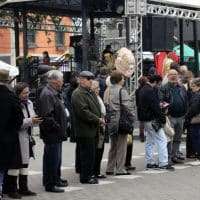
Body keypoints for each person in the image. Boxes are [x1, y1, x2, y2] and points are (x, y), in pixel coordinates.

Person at [3, 83, 42, 199]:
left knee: (25, 164)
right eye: (24, 92)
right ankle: (11, 189)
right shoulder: (14, 104)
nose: (27, 94)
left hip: (27, 137)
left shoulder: (29, 103)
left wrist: (35, 120)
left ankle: (24, 188)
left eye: (28, 92)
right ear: (18, 93)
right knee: (14, 165)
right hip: (16, 138)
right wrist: (31, 121)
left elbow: (32, 116)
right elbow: (16, 122)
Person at [39, 70, 68, 193]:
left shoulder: (53, 92)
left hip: (56, 132)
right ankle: (50, 184)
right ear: (55, 81)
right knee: (52, 158)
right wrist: (58, 128)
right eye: (61, 80)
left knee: (57, 158)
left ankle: (55, 179)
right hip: (52, 133)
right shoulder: (47, 94)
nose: (62, 82)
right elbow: (47, 116)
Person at [72, 71, 103, 184]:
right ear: (82, 80)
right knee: (86, 155)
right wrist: (97, 119)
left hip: (92, 128)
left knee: (91, 154)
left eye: (91, 79)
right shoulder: (78, 93)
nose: (91, 81)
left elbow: (95, 107)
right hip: (85, 129)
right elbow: (83, 111)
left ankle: (89, 174)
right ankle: (85, 177)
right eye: (89, 79)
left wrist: (99, 118)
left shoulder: (88, 92)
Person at [138, 75, 174, 170]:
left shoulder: (142, 89)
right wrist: (162, 117)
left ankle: (149, 161)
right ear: (157, 82)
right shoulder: (150, 91)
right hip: (152, 119)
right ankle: (163, 163)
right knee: (162, 139)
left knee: (150, 141)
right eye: (159, 83)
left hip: (145, 119)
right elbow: (155, 107)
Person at [104, 70, 134, 175]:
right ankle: (120, 168)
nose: (124, 79)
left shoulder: (107, 90)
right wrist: (132, 118)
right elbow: (128, 107)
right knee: (122, 145)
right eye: (123, 78)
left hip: (111, 120)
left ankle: (110, 168)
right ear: (120, 79)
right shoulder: (122, 91)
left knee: (113, 145)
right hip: (121, 120)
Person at [0, 69, 24, 200]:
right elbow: (18, 119)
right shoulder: (11, 96)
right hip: (6, 139)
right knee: (2, 168)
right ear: (8, 80)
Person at [160, 69, 188, 164]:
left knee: (177, 138)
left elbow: (186, 100)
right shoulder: (164, 88)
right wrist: (166, 110)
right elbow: (160, 101)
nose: (174, 76)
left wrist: (185, 113)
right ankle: (168, 158)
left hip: (181, 116)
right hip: (170, 116)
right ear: (168, 76)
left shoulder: (182, 87)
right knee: (169, 138)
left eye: (175, 74)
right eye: (171, 74)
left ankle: (174, 155)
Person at [91, 80, 107, 179]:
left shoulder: (97, 97)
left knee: (100, 150)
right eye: (97, 88)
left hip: (101, 125)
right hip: (97, 126)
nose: (99, 89)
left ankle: (97, 170)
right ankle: (94, 171)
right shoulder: (92, 97)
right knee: (96, 150)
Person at [185, 78, 200, 158]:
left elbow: (193, 108)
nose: (192, 88)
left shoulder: (197, 95)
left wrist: (187, 116)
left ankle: (197, 153)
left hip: (196, 119)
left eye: (193, 86)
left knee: (195, 136)